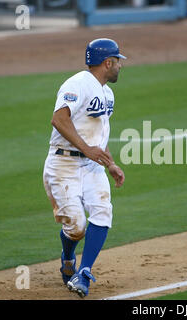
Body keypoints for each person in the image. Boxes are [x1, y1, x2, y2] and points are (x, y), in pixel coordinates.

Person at [43, 38, 126, 298]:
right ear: (107, 62)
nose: (120, 67)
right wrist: (87, 149)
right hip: (63, 164)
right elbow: (59, 119)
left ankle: (84, 272)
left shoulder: (108, 93)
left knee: (102, 211)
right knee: (76, 227)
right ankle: (68, 257)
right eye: (118, 62)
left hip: (92, 167)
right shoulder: (77, 84)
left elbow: (98, 136)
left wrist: (110, 163)